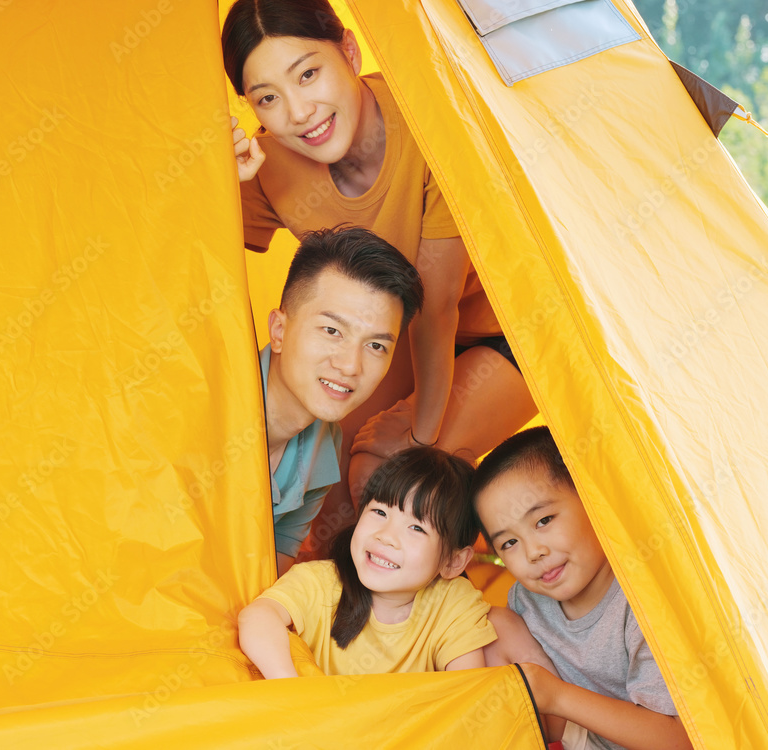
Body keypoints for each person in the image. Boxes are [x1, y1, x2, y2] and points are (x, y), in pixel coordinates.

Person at [221, 0, 537, 548]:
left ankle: (445, 586)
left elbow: (437, 307)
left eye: (309, 74)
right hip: (390, 340)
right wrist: (219, 179)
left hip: (509, 331)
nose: (298, 112)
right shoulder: (271, 164)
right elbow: (202, 270)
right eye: (267, 98)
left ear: (349, 49)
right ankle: (317, 620)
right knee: (330, 496)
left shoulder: (426, 117)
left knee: (390, 481)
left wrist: (419, 433)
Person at [471, 427, 691, 750]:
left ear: (592, 498)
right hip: (575, 739)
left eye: (543, 520)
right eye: (510, 542)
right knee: (491, 627)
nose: (533, 552)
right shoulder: (525, 600)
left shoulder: (643, 601)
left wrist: (557, 697)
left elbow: (679, 739)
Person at [238, 446, 496, 677]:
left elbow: (466, 690)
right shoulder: (319, 582)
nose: (386, 536)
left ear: (453, 561)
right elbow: (258, 616)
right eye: (380, 512)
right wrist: (288, 685)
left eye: (416, 528)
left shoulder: (452, 603)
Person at [262, 226, 423, 576]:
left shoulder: (323, 446)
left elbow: (273, 560)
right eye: (332, 331)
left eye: (376, 346)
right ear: (279, 331)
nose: (350, 366)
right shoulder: (206, 392)